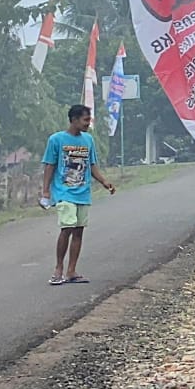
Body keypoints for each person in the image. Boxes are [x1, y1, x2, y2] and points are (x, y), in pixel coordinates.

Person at [41, 104, 116, 285]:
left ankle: (72, 270)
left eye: (89, 120)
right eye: (85, 120)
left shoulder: (88, 140)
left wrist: (104, 182)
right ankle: (58, 268)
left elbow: (92, 165)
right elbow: (50, 165)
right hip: (64, 191)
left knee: (79, 231)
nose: (87, 123)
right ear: (74, 120)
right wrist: (45, 191)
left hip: (82, 192)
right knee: (67, 228)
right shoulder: (56, 140)